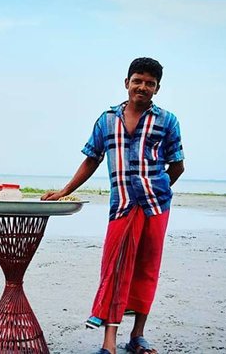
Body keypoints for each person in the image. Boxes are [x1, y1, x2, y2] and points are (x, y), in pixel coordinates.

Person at [41, 57, 185, 354]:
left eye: (149, 83)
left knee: (147, 269)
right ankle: (109, 343)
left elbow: (177, 165)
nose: (142, 87)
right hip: (121, 206)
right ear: (126, 83)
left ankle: (137, 337)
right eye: (138, 81)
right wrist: (65, 190)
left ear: (157, 88)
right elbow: (92, 158)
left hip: (156, 208)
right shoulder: (107, 120)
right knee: (115, 267)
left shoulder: (167, 121)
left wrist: (157, 190)